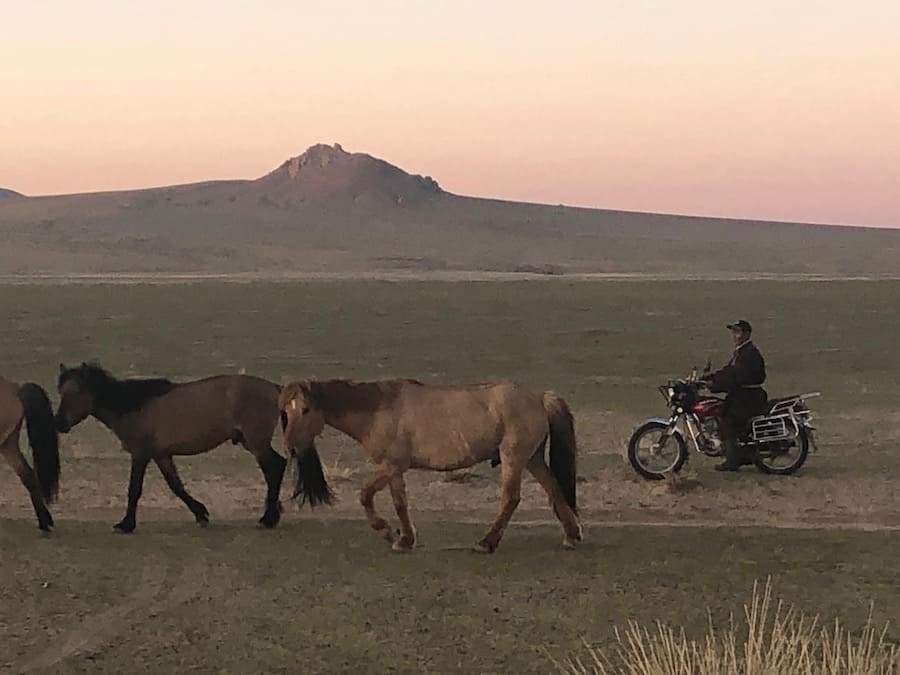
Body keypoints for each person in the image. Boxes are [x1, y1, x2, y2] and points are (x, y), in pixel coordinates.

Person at [701, 320, 767, 471]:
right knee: (721, 411)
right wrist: (708, 378)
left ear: (747, 334)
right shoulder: (741, 352)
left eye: (738, 332)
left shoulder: (749, 353)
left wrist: (716, 385)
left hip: (749, 396)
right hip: (743, 395)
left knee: (727, 418)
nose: (735, 336)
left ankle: (733, 459)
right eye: (734, 332)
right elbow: (728, 371)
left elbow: (736, 377)